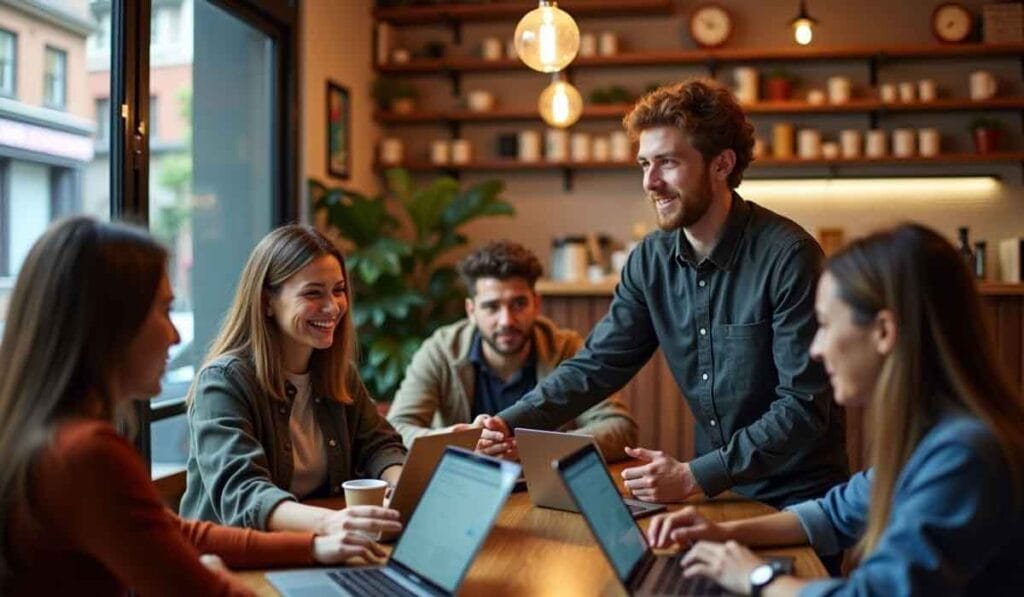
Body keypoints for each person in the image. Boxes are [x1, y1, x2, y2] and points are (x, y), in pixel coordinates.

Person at [478, 78, 848, 509]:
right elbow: (598, 364)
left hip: (799, 497)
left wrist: (694, 475)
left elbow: (803, 406)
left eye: (667, 162)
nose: (650, 182)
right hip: (717, 493)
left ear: (722, 164)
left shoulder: (789, 256)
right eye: (643, 164)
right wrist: (507, 424)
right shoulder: (650, 260)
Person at [0, 218, 389, 596]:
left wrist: (313, 547)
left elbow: (178, 533)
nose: (174, 335)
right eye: (164, 310)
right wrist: (215, 572)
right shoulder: (87, 454)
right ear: (110, 324)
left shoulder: (48, 436)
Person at [647, 224, 1024, 595]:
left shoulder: (964, 454)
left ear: (883, 332)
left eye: (825, 325)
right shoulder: (937, 434)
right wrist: (721, 534)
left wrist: (757, 578)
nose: (816, 349)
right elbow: (836, 513)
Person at [180, 225, 406, 537]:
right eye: (313, 293)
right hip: (233, 560)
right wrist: (331, 523)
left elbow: (379, 444)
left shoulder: (337, 373)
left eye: (338, 290)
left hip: (312, 547)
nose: (332, 307)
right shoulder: (222, 382)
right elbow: (244, 494)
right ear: (266, 302)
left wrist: (401, 486)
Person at [386, 240, 637, 461]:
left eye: (518, 304)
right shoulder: (440, 351)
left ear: (536, 303)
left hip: (542, 486)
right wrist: (454, 441)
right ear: (471, 311)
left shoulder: (566, 348)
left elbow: (619, 428)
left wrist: (535, 450)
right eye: (492, 307)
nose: (506, 320)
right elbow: (396, 429)